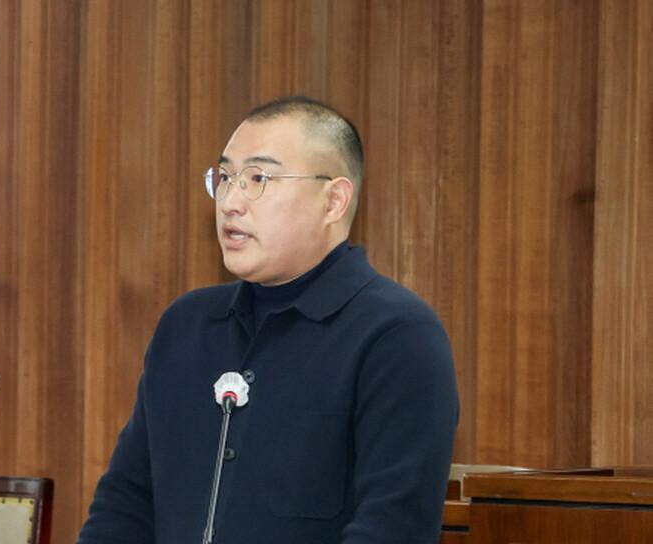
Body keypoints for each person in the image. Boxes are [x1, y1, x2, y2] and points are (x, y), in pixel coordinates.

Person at [78, 96, 458, 544]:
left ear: (333, 201)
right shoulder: (186, 326)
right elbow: (126, 504)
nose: (230, 202)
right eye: (225, 178)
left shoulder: (397, 336)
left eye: (258, 178)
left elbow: (394, 527)